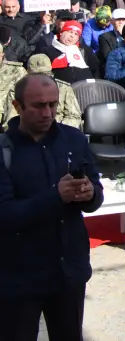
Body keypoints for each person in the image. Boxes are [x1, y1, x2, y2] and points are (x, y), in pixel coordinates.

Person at [0, 73, 103, 341]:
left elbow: (96, 196)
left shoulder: (74, 140)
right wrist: (55, 196)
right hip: (19, 278)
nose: (47, 113)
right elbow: (5, 215)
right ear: (17, 106)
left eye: (53, 104)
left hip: (68, 273)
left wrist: (90, 193)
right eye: (38, 105)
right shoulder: (4, 151)